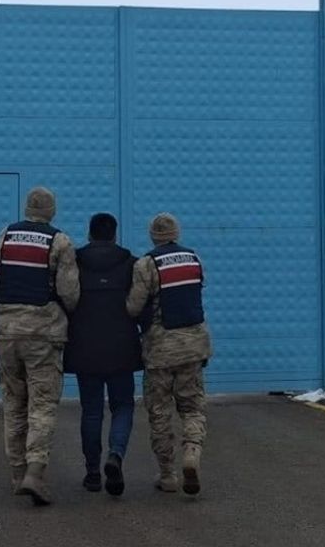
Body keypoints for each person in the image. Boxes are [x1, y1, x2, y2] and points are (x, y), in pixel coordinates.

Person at [0, 186, 79, 506]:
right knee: (41, 404)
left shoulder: (6, 235)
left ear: (27, 208)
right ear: (52, 211)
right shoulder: (60, 241)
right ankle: (35, 473)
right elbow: (70, 292)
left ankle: (17, 474)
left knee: (13, 402)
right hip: (43, 333)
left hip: (6, 332)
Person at [126, 212, 212, 495]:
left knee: (160, 413)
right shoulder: (194, 258)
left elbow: (135, 306)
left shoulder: (146, 264)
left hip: (160, 350)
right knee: (192, 407)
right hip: (193, 347)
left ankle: (167, 474)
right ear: (177, 232)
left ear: (153, 235)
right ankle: (191, 452)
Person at [64, 213, 141, 496]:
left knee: (92, 410)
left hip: (85, 349)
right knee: (123, 406)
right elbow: (140, 304)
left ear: (90, 233)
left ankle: (93, 473)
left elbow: (66, 298)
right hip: (122, 349)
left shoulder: (75, 261)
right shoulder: (131, 264)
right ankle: (116, 454)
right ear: (114, 234)